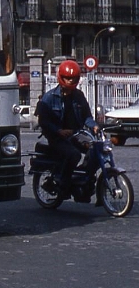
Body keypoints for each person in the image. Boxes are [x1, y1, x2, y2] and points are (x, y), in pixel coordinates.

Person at [36, 59, 98, 197]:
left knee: (96, 150)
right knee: (73, 154)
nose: (70, 81)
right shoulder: (49, 97)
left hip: (75, 134)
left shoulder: (79, 96)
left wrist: (94, 126)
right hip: (56, 137)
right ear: (61, 77)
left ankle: (82, 176)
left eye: (73, 78)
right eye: (67, 78)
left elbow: (87, 116)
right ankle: (63, 183)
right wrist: (58, 131)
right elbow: (43, 121)